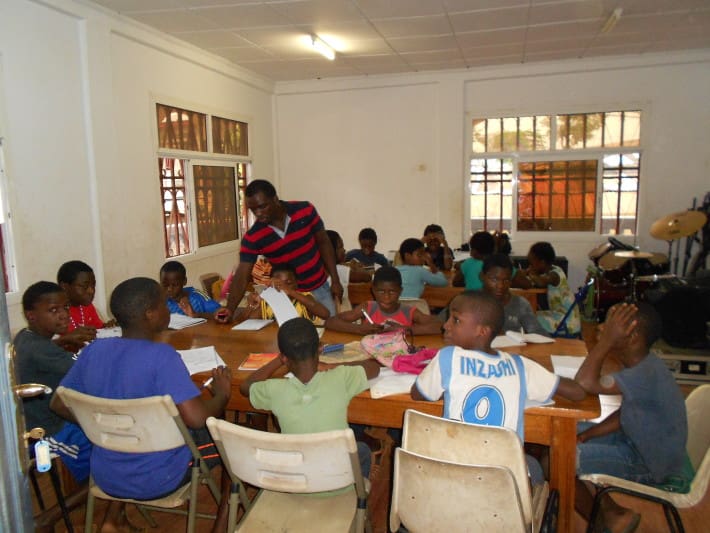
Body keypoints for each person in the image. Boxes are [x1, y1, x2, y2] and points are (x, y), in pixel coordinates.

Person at [50, 277, 232, 533]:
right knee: (228, 441)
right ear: (150, 314)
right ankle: (222, 525)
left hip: (106, 474)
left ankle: (113, 519)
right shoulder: (163, 356)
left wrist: (98, 427)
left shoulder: (94, 351)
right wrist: (222, 395)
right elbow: (197, 419)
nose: (168, 310)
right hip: (161, 478)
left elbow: (58, 403)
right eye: (163, 305)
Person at [411, 290, 585, 485]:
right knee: (533, 466)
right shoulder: (520, 365)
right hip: (503, 483)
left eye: (456, 320)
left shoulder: (447, 357)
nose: (446, 325)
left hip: (453, 472)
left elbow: (418, 394)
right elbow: (577, 393)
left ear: (482, 331)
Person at [574, 303, 689, 533]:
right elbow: (625, 414)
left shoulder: (644, 373)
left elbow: (583, 384)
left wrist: (604, 342)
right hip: (635, 443)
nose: (603, 328)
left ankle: (609, 519)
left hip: (648, 464)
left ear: (633, 336)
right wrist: (587, 434)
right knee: (564, 435)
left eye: (611, 325)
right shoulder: (643, 366)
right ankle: (606, 511)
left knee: (561, 457)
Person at [240, 317, 381, 479]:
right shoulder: (341, 377)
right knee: (362, 448)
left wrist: (279, 360)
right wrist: (333, 367)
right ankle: (360, 488)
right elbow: (373, 368)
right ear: (320, 349)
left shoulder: (274, 389)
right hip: (337, 483)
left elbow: (246, 387)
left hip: (296, 479)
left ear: (285, 358)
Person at [218, 179, 342, 321]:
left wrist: (336, 280)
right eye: (253, 209)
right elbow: (242, 274)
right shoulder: (253, 237)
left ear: (275, 199)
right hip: (285, 296)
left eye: (262, 206)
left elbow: (324, 242)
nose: (257, 213)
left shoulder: (305, 211)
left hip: (318, 288)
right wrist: (230, 308)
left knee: (331, 329)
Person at [15, 282, 92, 485]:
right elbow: (87, 372)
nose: (64, 314)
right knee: (105, 441)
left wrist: (64, 339)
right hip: (48, 431)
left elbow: (44, 350)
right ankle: (89, 490)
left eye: (65, 307)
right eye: (53, 310)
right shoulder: (42, 351)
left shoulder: (25, 336)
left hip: (38, 420)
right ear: (31, 315)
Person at [325, 266, 443, 335]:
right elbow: (330, 322)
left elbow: (440, 326)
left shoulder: (409, 312)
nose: (386, 297)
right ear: (373, 291)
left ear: (400, 291)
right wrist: (359, 329)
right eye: (381, 292)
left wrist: (405, 330)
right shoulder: (367, 308)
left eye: (392, 292)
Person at [516, 242, 579, 336]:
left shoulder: (555, 275)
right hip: (561, 315)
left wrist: (530, 273)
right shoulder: (551, 270)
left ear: (542, 262)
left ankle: (532, 346)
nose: (530, 266)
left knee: (527, 319)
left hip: (567, 322)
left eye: (532, 263)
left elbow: (541, 282)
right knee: (530, 314)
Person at [234, 263, 330, 323]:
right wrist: (251, 305)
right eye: (278, 284)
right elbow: (241, 323)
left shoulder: (304, 299)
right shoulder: (267, 303)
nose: (283, 288)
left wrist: (290, 292)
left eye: (288, 283)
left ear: (297, 283)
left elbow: (325, 314)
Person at [481, 253, 549, 336]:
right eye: (494, 279)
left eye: (506, 280)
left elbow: (538, 332)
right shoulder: (471, 303)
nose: (500, 286)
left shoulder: (520, 304)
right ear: (482, 277)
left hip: (513, 347)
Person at [56, 260, 115, 351]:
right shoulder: (54, 312)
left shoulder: (87, 306)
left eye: (93, 285)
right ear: (64, 286)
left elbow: (97, 330)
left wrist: (107, 328)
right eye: (84, 286)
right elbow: (45, 348)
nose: (91, 291)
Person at [160, 260, 228, 319]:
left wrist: (196, 315)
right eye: (165, 285)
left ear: (184, 281)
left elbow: (221, 313)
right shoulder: (160, 302)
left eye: (174, 285)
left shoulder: (197, 296)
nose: (169, 289)